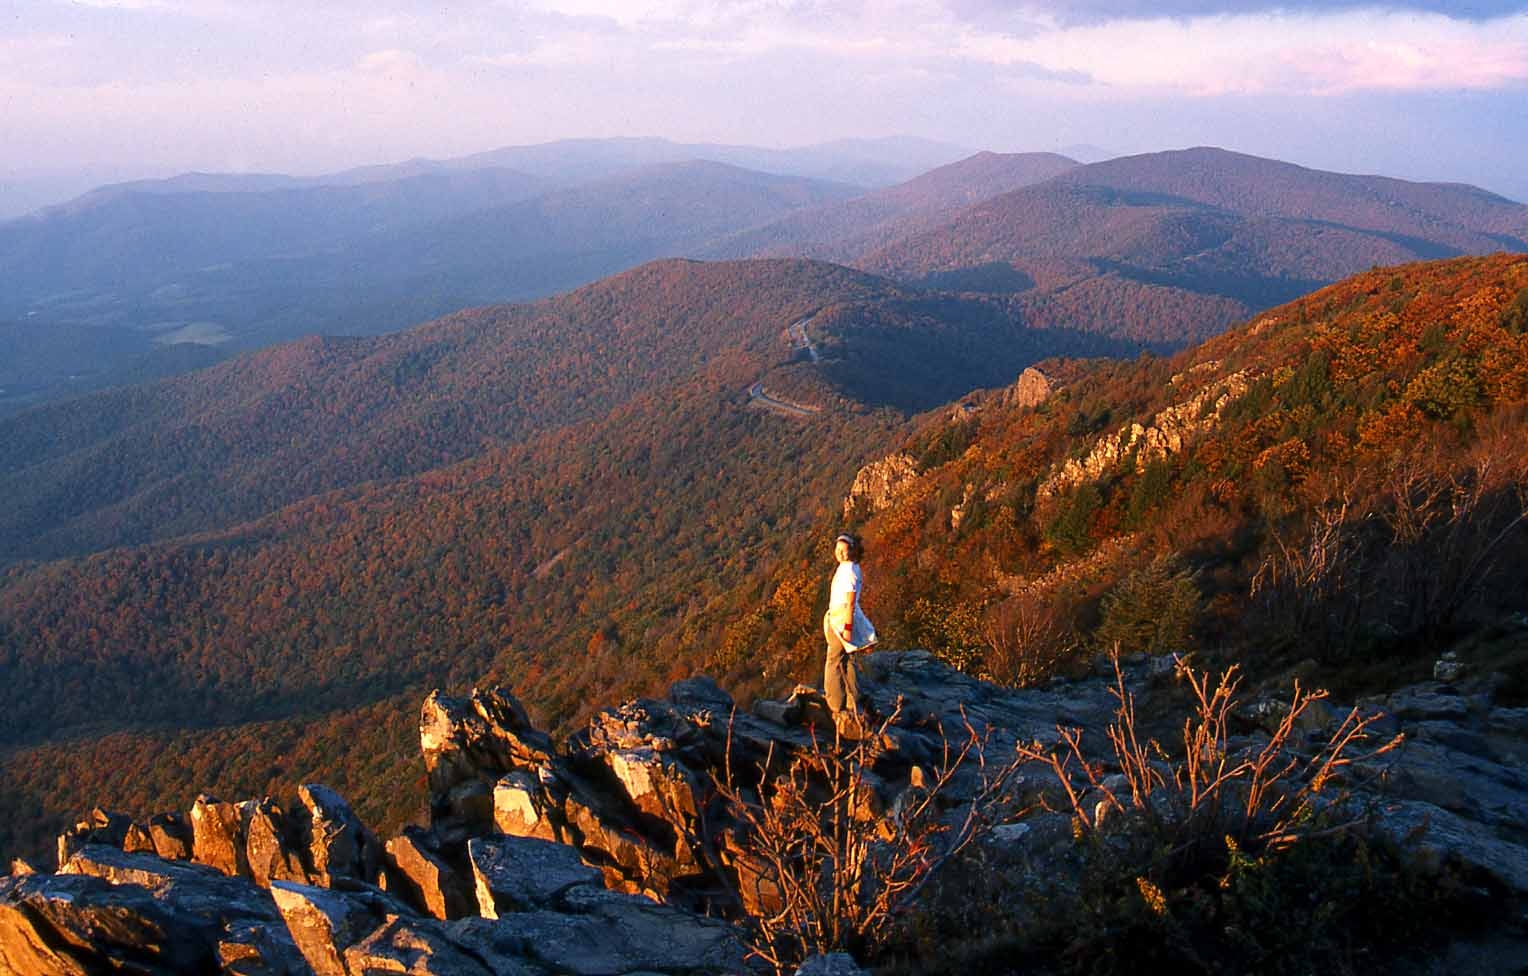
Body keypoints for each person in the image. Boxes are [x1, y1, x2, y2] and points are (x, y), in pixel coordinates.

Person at [824, 532, 876, 737]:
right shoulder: (850, 568)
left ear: (852, 551)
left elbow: (850, 601)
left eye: (844, 551)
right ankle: (854, 698)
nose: (840, 554)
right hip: (843, 618)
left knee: (834, 660)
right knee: (849, 660)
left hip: (842, 620)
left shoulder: (849, 572)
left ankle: (834, 703)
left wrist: (846, 627)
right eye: (838, 550)